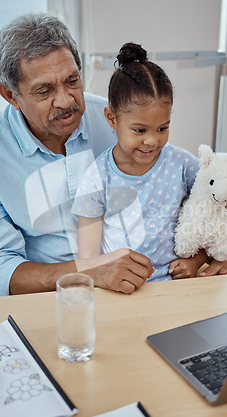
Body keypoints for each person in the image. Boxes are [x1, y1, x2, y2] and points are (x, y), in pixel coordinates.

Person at [0, 13, 227, 297]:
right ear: (10, 95)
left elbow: (189, 198)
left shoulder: (123, 120)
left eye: (72, 80)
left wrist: (214, 254)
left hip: (151, 286)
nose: (66, 100)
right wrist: (86, 272)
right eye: (44, 90)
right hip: (51, 298)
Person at [73, 42, 212, 280]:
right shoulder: (96, 177)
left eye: (162, 128)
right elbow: (88, 260)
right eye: (139, 130)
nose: (151, 141)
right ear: (111, 119)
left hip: (176, 284)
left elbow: (221, 213)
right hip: (120, 287)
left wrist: (196, 260)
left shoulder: (183, 164)